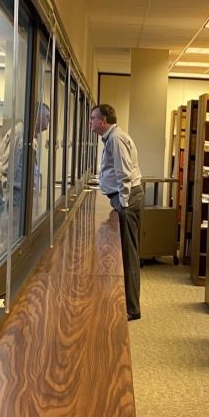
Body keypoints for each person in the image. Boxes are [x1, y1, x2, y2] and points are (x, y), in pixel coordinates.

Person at [90, 104, 143, 321]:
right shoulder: (112, 137)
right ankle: (130, 303)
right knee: (126, 253)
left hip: (127, 201)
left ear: (103, 121)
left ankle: (132, 309)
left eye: (93, 118)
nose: (90, 122)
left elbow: (124, 174)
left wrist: (122, 202)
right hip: (124, 199)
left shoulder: (115, 139)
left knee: (129, 255)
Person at [0, 102, 50, 207]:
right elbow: (7, 168)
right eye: (47, 117)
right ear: (37, 118)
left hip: (19, 191)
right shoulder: (19, 133)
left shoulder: (31, 135)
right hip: (12, 192)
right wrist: (7, 197)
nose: (49, 120)